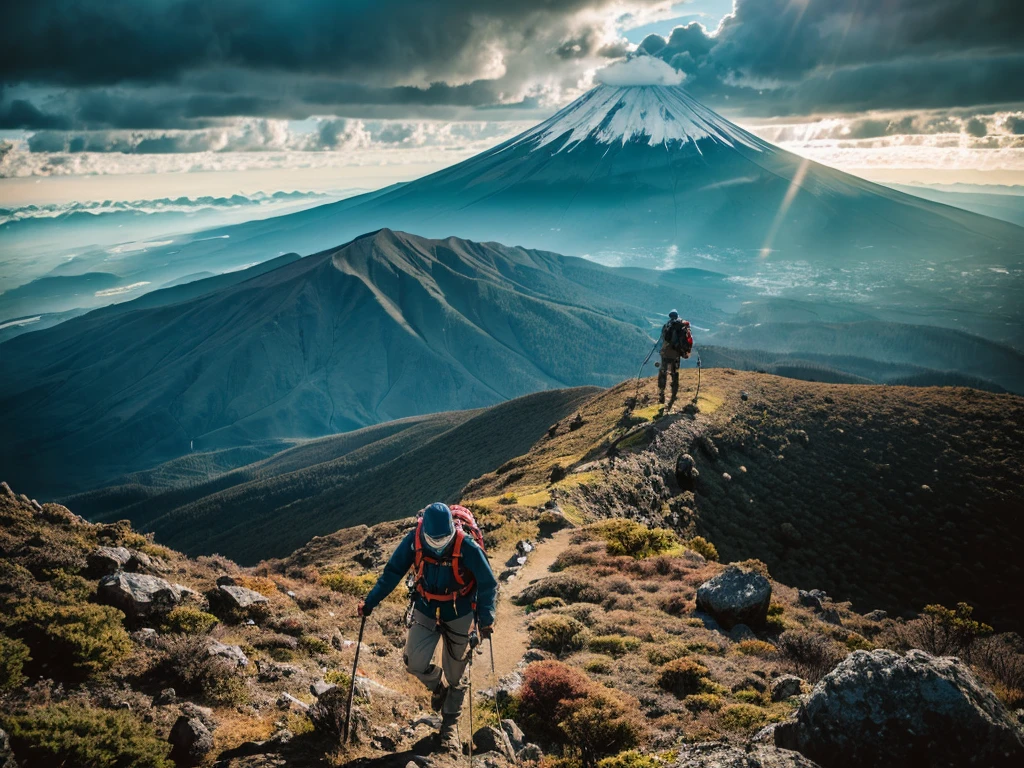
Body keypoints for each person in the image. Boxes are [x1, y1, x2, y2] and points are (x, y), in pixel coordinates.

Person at [358, 502, 497, 753]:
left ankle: (449, 729)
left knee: (457, 676)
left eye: (444, 538)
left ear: (452, 531)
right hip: (425, 608)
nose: (439, 542)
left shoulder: (466, 545)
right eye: (434, 538)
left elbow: (488, 583)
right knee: (414, 663)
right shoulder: (414, 540)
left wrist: (486, 619)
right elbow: (392, 572)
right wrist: (370, 602)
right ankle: (437, 686)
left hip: (460, 612)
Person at [658, 310, 692, 404]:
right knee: (674, 372)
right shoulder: (682, 327)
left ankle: (661, 392)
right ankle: (674, 394)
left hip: (665, 352)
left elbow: (662, 339)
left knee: (663, 371)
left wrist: (660, 350)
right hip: (676, 353)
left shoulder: (666, 326)